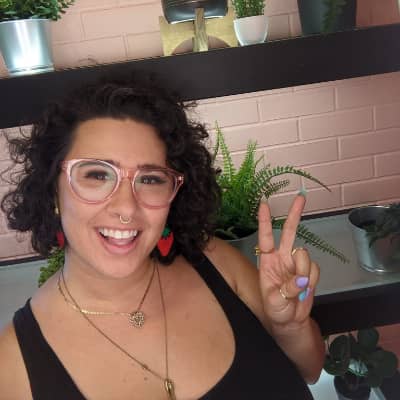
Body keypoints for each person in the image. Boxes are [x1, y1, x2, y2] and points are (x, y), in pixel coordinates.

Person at [0, 72, 325, 399]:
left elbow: (311, 371)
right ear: (52, 190)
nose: (127, 207)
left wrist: (290, 328)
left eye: (150, 179)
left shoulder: (218, 265)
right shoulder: (12, 366)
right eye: (97, 175)